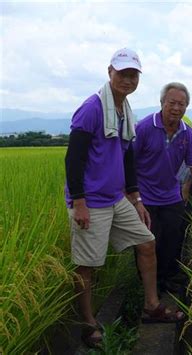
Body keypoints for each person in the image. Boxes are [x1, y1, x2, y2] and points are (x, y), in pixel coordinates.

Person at [64, 48, 183, 348]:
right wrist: (78, 202)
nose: (128, 80)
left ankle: (151, 305)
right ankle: (88, 324)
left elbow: (127, 158)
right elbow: (73, 157)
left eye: (133, 75)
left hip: (116, 197)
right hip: (91, 200)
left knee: (147, 242)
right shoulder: (92, 108)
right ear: (110, 72)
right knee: (88, 264)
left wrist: (135, 198)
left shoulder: (124, 111)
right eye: (123, 73)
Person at [133, 82, 192, 293]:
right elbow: (128, 162)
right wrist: (134, 196)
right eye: (172, 103)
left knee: (173, 239)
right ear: (162, 103)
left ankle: (167, 279)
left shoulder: (186, 134)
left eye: (182, 104)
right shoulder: (144, 127)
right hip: (146, 197)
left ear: (187, 107)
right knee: (149, 241)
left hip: (171, 196)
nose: (177, 108)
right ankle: (149, 286)